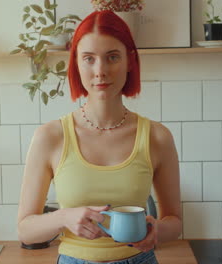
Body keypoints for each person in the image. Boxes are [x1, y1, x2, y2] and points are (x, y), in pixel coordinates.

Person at [17, 10, 182, 264]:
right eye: (89, 59)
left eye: (112, 57)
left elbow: (175, 222)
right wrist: (63, 217)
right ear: (76, 64)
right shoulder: (49, 137)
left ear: (130, 62)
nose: (100, 71)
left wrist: (156, 230)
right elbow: (25, 229)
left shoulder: (158, 137)